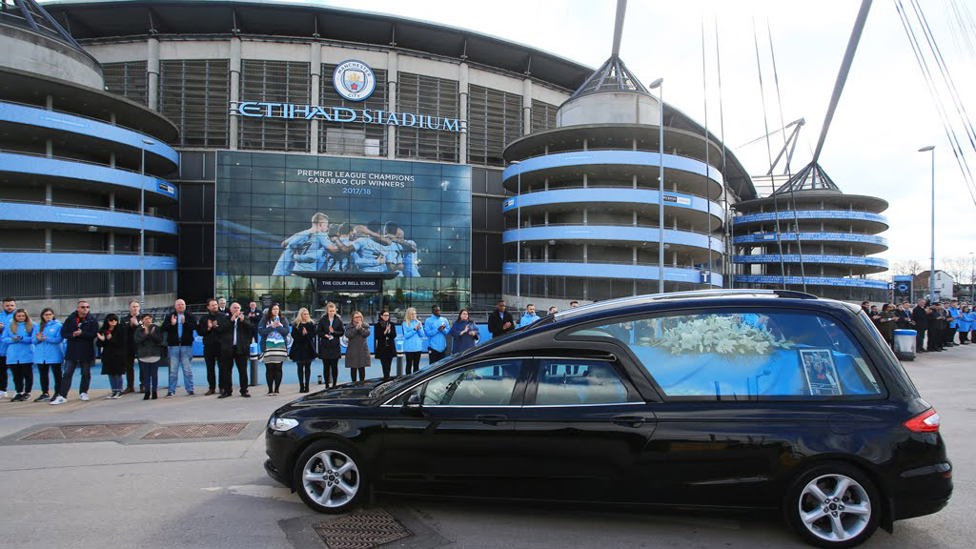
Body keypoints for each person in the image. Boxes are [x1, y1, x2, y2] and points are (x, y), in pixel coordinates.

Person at [51, 300, 98, 405]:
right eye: (82, 307)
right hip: (72, 350)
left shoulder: (92, 320)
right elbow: (64, 333)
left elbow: (94, 334)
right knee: (67, 373)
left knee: (86, 373)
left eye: (87, 307)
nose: (85, 309)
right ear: (77, 308)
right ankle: (62, 395)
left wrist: (82, 333)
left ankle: (83, 392)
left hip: (86, 350)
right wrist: (73, 335)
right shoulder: (70, 319)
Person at [217, 302, 253, 398]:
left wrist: (243, 321)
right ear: (230, 309)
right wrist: (231, 321)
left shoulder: (245, 318)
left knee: (243, 370)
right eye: (234, 308)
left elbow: (251, 329)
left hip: (241, 348)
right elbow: (220, 330)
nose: (236, 309)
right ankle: (227, 391)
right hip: (227, 348)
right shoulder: (225, 318)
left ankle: (244, 390)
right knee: (226, 370)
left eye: (238, 308)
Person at [163, 299, 197, 397]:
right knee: (173, 371)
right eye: (178, 305)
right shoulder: (170, 316)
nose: (181, 306)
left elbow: (194, 327)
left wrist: (185, 323)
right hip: (173, 346)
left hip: (186, 346)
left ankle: (190, 389)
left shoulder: (189, 316)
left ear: (185, 306)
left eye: (182, 304)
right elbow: (163, 328)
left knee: (187, 370)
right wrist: (172, 324)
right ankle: (171, 390)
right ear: (175, 306)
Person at [2, 308, 36, 402]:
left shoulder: (32, 325)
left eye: (23, 316)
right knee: (16, 375)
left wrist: (22, 338)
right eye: (19, 316)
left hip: (26, 354)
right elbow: (4, 338)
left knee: (27, 374)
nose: (21, 317)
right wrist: (12, 340)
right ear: (15, 317)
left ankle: (27, 392)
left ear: (26, 316)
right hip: (13, 355)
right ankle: (19, 392)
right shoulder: (9, 326)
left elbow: (33, 339)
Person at [196, 299, 227, 395]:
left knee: (222, 368)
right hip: (209, 346)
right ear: (208, 307)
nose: (215, 306)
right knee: (210, 368)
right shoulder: (204, 319)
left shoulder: (223, 316)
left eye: (216, 305)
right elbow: (200, 332)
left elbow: (226, 330)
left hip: (221, 346)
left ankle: (222, 387)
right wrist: (208, 328)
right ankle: (211, 388)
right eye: (212, 305)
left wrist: (216, 327)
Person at [258, 303, 290, 395]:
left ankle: (277, 389)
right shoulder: (264, 319)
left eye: (277, 309)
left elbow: (286, 332)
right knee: (269, 368)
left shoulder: (283, 319)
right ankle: (270, 389)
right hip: (268, 347)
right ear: (270, 311)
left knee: (278, 368)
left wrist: (278, 326)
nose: (276, 311)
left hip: (280, 347)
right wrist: (271, 327)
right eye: (274, 309)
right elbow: (261, 332)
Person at [32, 308, 63, 402]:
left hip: (54, 354)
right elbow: (33, 340)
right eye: (46, 315)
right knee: (43, 375)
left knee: (57, 375)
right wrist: (38, 339)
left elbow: (59, 339)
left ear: (53, 315)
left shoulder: (58, 325)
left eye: (50, 314)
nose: (48, 316)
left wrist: (46, 338)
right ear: (42, 316)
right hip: (41, 355)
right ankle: (45, 393)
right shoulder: (37, 326)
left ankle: (58, 392)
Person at [133, 313, 164, 400]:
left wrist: (152, 334)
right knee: (146, 376)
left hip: (155, 355)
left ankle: (154, 391)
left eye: (150, 318)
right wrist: (146, 334)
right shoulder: (139, 329)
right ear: (142, 320)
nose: (148, 320)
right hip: (143, 355)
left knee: (154, 375)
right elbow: (137, 340)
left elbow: (160, 340)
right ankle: (147, 392)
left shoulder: (156, 328)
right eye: (146, 319)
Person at [96, 314, 126, 399]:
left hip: (118, 354)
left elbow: (121, 343)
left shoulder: (120, 329)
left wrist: (110, 339)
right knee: (110, 373)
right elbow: (99, 344)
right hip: (107, 355)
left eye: (115, 320)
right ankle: (114, 390)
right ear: (107, 321)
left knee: (118, 373)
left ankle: (119, 390)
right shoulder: (103, 330)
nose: (113, 322)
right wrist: (102, 340)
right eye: (111, 321)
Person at [316, 302, 344, 388]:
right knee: (326, 366)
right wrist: (325, 335)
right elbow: (318, 332)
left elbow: (342, 332)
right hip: (325, 346)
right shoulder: (322, 319)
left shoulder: (338, 320)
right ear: (327, 311)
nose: (332, 312)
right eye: (330, 311)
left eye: (333, 311)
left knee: (334, 366)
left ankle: (335, 384)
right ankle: (327, 384)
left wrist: (334, 332)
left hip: (334, 346)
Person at [290, 307, 316, 393]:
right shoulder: (296, 324)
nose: (306, 315)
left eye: (307, 314)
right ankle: (301, 386)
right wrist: (301, 333)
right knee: (300, 368)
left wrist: (306, 334)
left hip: (308, 348)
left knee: (308, 368)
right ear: (300, 315)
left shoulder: (311, 324)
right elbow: (294, 336)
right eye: (304, 314)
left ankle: (307, 386)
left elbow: (312, 336)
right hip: (299, 349)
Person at [119, 299, 141, 394]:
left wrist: (137, 325)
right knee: (129, 367)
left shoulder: (144, 318)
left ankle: (143, 385)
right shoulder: (124, 319)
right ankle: (130, 386)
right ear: (129, 308)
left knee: (143, 365)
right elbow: (122, 332)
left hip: (141, 345)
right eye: (133, 306)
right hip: (128, 345)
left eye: (136, 306)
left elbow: (145, 330)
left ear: (139, 308)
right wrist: (130, 325)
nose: (135, 308)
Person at [345, 311, 371, 384]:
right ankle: (354, 384)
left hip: (362, 350)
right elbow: (348, 335)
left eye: (359, 317)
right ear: (352, 318)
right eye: (356, 317)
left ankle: (362, 384)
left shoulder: (365, 325)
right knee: (353, 368)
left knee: (362, 368)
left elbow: (366, 334)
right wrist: (356, 328)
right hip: (352, 350)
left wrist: (360, 328)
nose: (358, 318)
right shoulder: (348, 326)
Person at [373, 310, 397, 379]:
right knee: (384, 365)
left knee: (389, 365)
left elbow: (394, 335)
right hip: (382, 348)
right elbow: (377, 336)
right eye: (385, 315)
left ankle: (387, 377)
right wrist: (385, 331)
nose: (387, 317)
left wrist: (389, 332)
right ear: (381, 316)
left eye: (388, 315)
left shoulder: (391, 324)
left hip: (390, 348)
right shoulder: (377, 325)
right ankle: (386, 378)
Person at [0, 297, 16, 399]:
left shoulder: (19, 316)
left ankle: (18, 390)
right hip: (1, 349)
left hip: (14, 349)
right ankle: (2, 390)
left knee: (17, 372)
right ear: (3, 306)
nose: (9, 307)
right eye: (7, 305)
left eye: (11, 305)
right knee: (1, 371)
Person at [401, 307, 424, 375]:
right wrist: (414, 329)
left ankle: (416, 382)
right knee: (409, 365)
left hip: (418, 348)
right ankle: (407, 381)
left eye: (415, 314)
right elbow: (406, 336)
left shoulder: (418, 322)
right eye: (412, 314)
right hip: (409, 349)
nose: (414, 315)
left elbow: (422, 335)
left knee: (416, 366)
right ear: (408, 314)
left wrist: (419, 329)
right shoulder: (405, 323)